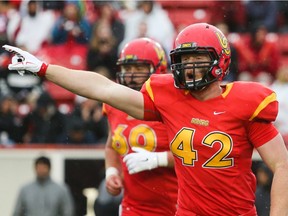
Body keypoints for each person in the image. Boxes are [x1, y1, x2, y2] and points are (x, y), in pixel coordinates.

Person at [3, 22, 288, 215]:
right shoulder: (169, 98)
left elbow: (282, 165)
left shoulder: (245, 102)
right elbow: (103, 88)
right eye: (184, 60)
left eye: (197, 57)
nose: (190, 67)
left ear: (221, 59)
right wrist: (45, 68)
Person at [104, 37, 178, 215]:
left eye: (139, 68)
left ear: (157, 68)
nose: (131, 74)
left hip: (176, 206)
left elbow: (196, 156)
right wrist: (112, 172)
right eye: (127, 68)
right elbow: (111, 145)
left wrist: (157, 159)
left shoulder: (172, 103)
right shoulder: (114, 104)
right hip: (133, 206)